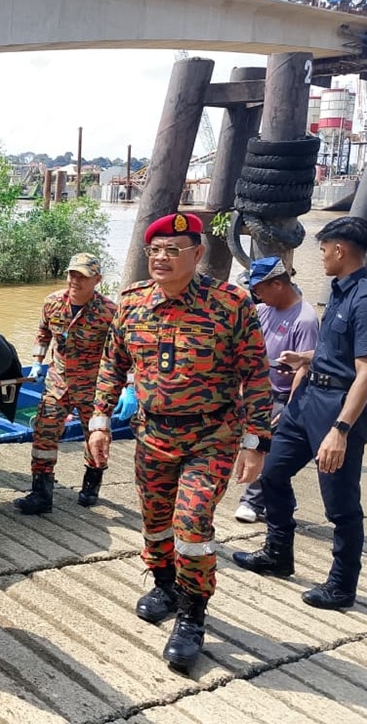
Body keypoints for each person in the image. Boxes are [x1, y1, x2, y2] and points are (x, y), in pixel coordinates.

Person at [87, 212, 270, 672]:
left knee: (191, 527)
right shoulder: (131, 303)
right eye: (155, 250)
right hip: (152, 435)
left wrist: (256, 440)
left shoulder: (231, 303)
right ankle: (165, 585)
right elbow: (113, 364)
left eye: (172, 250)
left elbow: (257, 374)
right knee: (155, 523)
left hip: (211, 436)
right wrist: (99, 419)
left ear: (197, 254)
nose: (161, 258)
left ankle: (191, 616)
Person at [232, 216, 367, 611]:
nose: (320, 256)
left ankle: (342, 584)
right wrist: (305, 357)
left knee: (340, 503)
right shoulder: (338, 290)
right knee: (272, 472)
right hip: (305, 402)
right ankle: (278, 553)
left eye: (323, 249)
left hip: (336, 409)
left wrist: (340, 430)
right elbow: (337, 352)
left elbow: (366, 371)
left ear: (340, 250)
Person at [13, 253, 132, 515]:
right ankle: (41, 493)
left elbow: (121, 352)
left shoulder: (109, 312)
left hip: (92, 387)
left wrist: (128, 385)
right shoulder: (53, 302)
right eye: (72, 274)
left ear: (97, 280)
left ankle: (91, 486)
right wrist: (37, 360)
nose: (75, 281)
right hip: (57, 383)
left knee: (96, 439)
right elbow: (43, 332)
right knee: (44, 436)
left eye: (83, 276)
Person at [234, 256, 319, 524]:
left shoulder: (305, 319)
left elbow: (305, 367)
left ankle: (251, 502)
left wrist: (292, 406)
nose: (256, 296)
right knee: (258, 447)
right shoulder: (263, 311)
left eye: (259, 290)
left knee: (265, 449)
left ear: (278, 284)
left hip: (283, 395)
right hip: (258, 391)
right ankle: (284, 500)